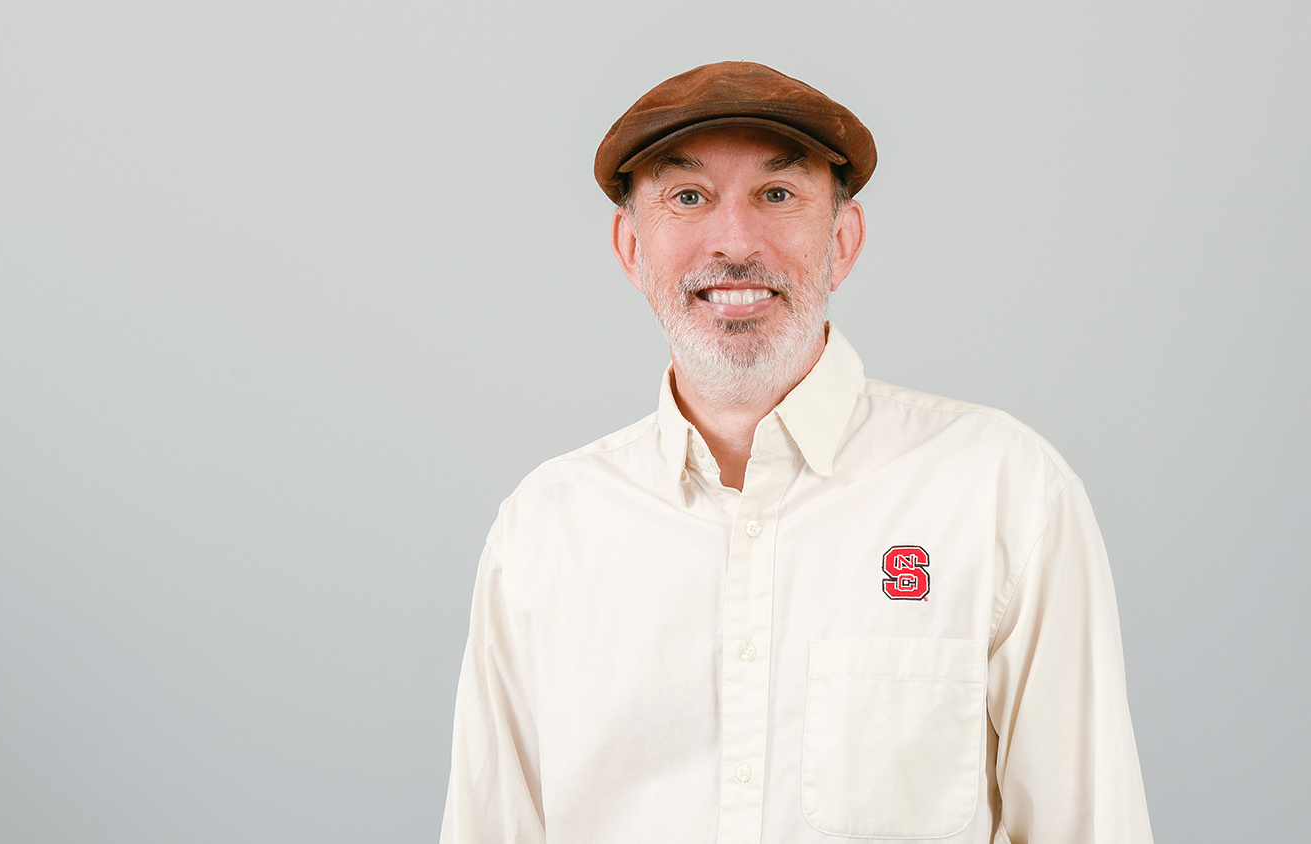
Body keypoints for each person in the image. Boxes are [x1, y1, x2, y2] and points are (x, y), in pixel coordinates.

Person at [439, 61, 1152, 844]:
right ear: (630, 246)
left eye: (777, 195)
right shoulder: (545, 531)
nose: (735, 242)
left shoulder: (1002, 491)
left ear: (841, 241)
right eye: (688, 197)